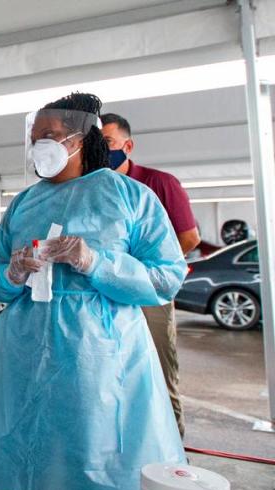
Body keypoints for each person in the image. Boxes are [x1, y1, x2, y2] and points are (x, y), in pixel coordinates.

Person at [0, 93, 186, 490]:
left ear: (81, 139)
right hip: (24, 353)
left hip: (101, 360)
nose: (39, 144)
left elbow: (168, 276)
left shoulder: (129, 197)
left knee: (95, 457)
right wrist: (13, 272)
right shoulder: (24, 203)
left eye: (51, 136)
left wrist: (97, 263)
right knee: (24, 454)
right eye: (34, 137)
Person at [101, 112, 199, 437]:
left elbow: (188, 237)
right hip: (107, 293)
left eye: (109, 143)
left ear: (128, 145)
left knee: (157, 368)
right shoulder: (94, 186)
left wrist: (145, 272)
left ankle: (173, 449)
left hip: (148, 295)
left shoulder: (158, 183)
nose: (102, 151)